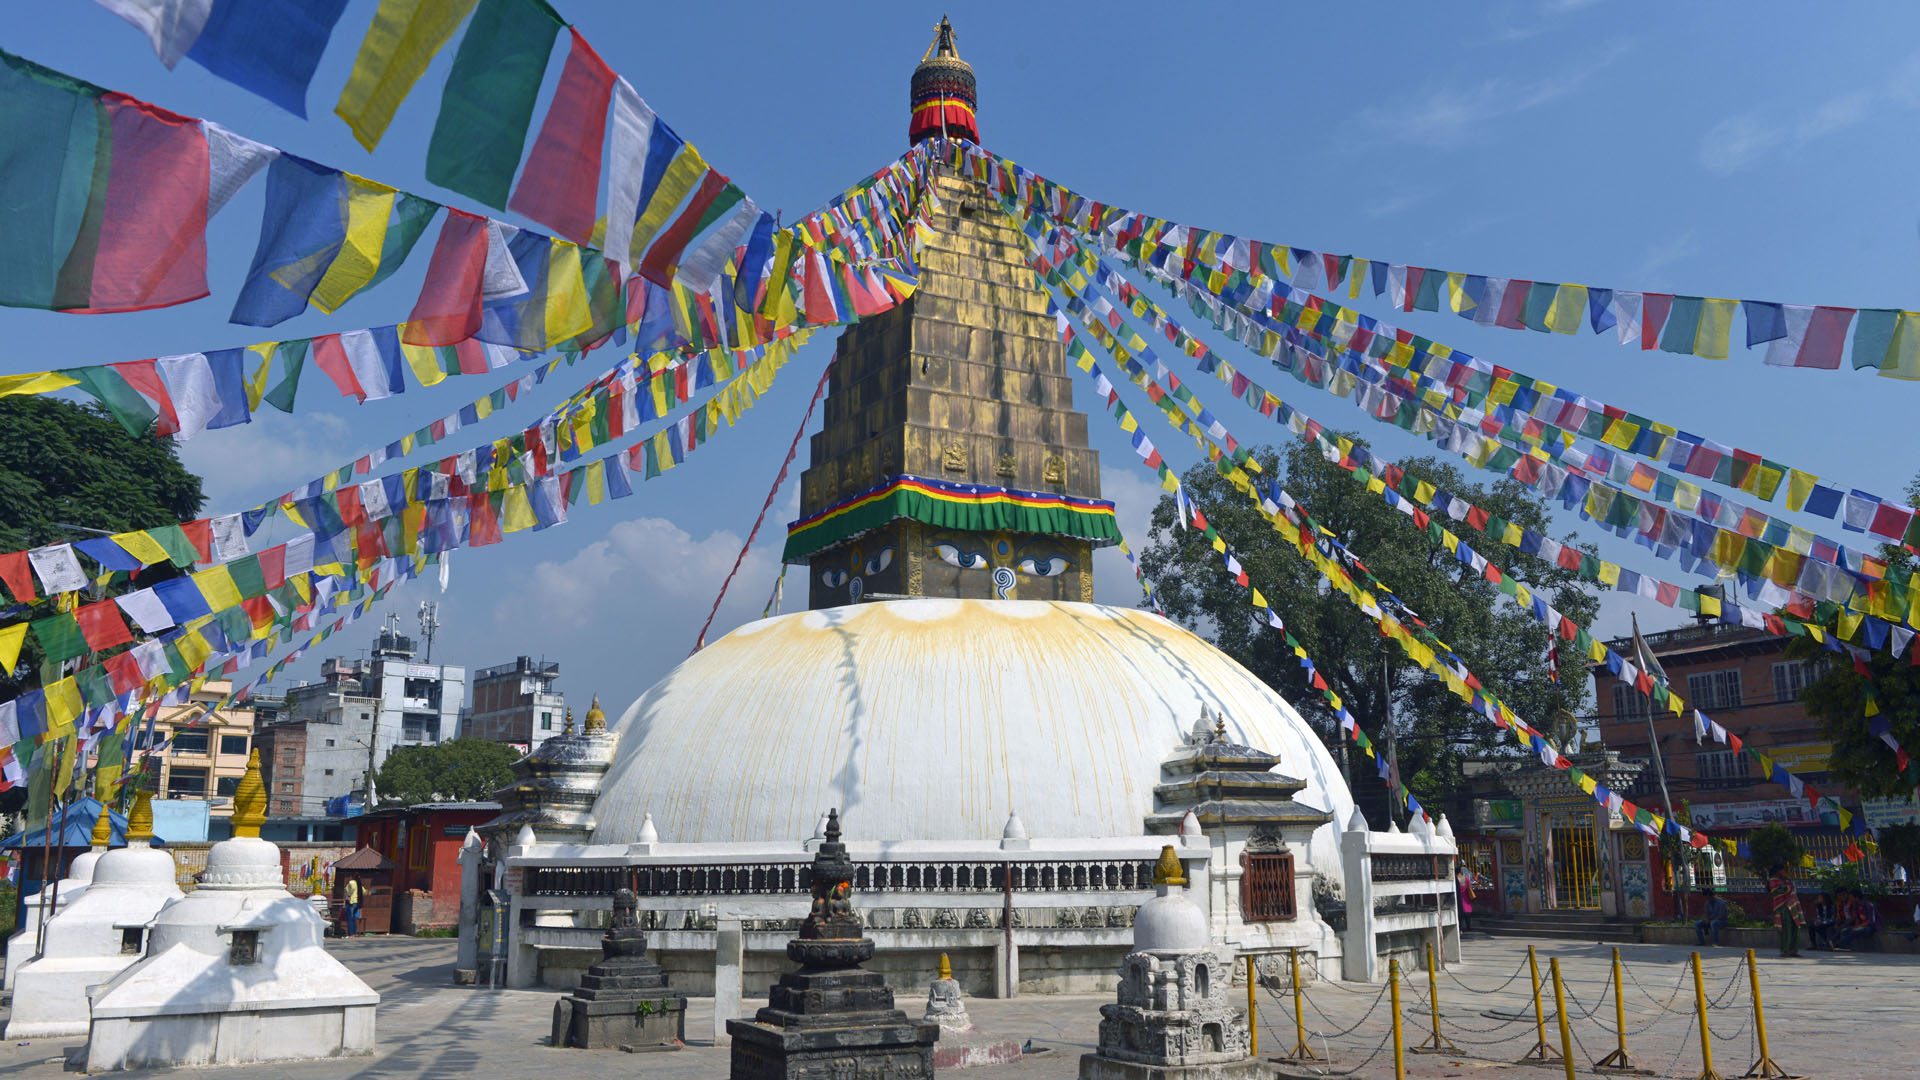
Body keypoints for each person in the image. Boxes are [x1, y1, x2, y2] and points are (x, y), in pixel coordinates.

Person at [1766, 865, 1802, 958]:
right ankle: (1784, 950)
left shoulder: (1786, 881)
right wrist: (1788, 886)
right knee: (1786, 930)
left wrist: (1787, 883)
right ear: (1778, 871)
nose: (1785, 872)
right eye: (1783, 870)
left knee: (1794, 928)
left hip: (1792, 907)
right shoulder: (1773, 881)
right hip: (1782, 908)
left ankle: (1793, 950)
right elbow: (1780, 890)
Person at [1456, 864, 1474, 934]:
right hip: (1466, 897)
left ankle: (1460, 928)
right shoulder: (1466, 878)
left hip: (1459, 897)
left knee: (1460, 914)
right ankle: (1468, 926)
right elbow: (1470, 886)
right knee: (1467, 912)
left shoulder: (1456, 878)